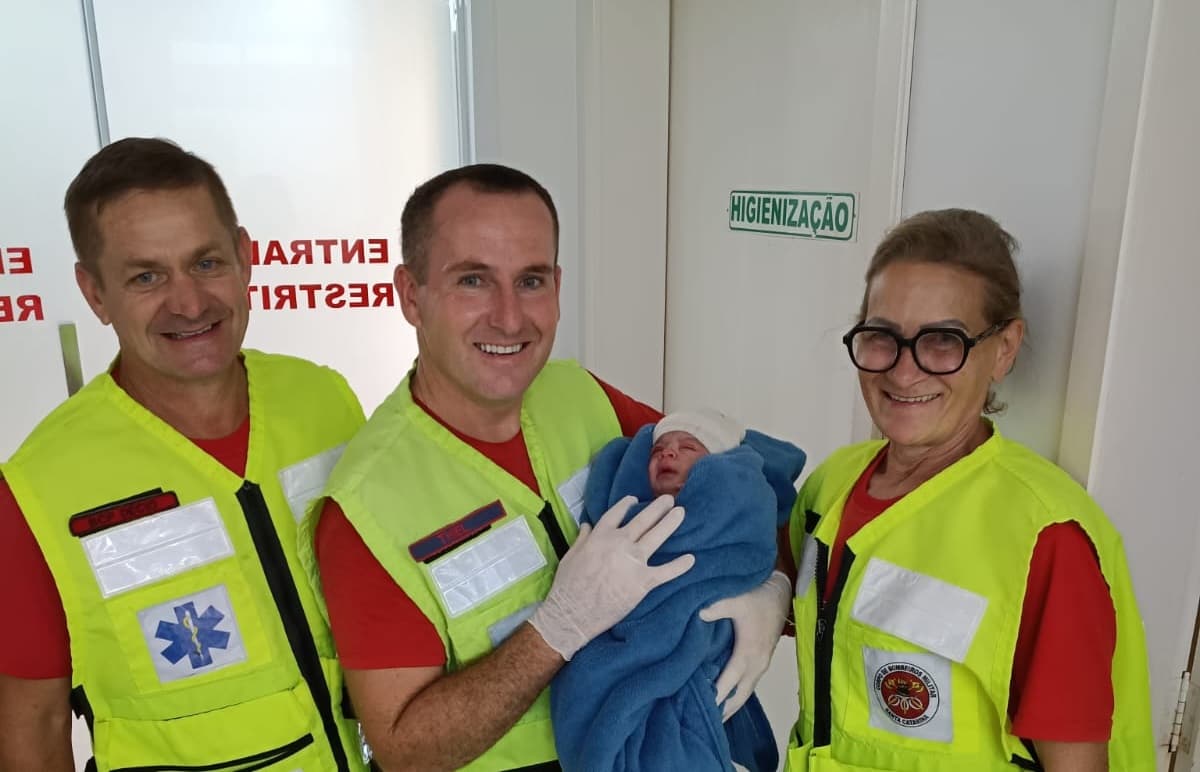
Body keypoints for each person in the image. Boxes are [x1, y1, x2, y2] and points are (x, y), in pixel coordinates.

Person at [301, 163, 789, 771]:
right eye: (473, 280)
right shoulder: (368, 505)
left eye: (530, 280)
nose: (509, 317)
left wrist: (771, 590)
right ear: (410, 294)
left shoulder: (581, 396)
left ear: (558, 285)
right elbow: (404, 750)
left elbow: (733, 490)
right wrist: (557, 630)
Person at [0, 138, 368, 771]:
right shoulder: (36, 487)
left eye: (206, 263)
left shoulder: (324, 401)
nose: (190, 303)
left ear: (245, 256)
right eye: (146, 276)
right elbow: (33, 722)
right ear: (94, 293)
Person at [784, 209, 1155, 771]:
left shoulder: (1044, 536)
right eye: (882, 336)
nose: (904, 373)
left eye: (942, 341)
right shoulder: (828, 488)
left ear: (1004, 348)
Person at [551, 409, 803, 772]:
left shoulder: (728, 513)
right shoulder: (624, 518)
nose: (668, 453)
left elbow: (755, 542)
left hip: (693, 655)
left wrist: (776, 587)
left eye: (688, 447)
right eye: (658, 451)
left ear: (720, 465)